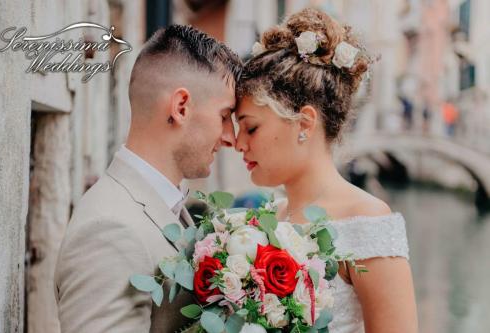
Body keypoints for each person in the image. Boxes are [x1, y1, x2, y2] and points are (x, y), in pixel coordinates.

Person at [235, 8, 418, 333]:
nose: (238, 143)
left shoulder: (368, 222)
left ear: (304, 123)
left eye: (250, 129)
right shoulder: (267, 217)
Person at [54, 25, 241, 333]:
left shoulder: (166, 209)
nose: (230, 137)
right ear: (181, 107)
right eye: (224, 116)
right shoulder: (110, 231)